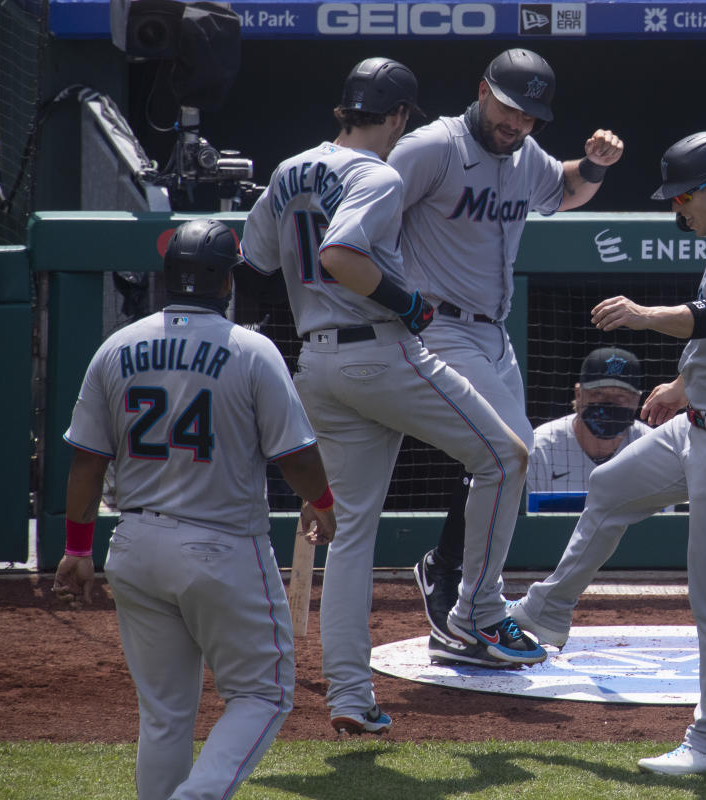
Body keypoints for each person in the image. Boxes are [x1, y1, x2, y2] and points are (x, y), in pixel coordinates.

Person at [240, 57, 543, 730]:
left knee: (348, 536)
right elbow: (340, 256)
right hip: (381, 354)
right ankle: (478, 612)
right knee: (505, 457)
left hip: (316, 361)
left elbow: (252, 263)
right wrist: (410, 304)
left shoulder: (289, 168)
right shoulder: (376, 173)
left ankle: (351, 698)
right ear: (400, 115)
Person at [508, 132, 706, 775]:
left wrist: (641, 315)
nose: (677, 210)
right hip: (702, 424)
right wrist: (681, 385)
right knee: (610, 487)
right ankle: (547, 611)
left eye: (684, 196)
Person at [50, 218, 337, 800]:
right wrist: (323, 501)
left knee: (164, 714)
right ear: (226, 283)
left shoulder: (117, 346)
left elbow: (86, 461)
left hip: (133, 547)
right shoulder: (252, 351)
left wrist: (77, 548)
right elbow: (297, 454)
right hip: (221, 546)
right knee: (263, 694)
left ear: (168, 277)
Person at [386, 48, 624, 665]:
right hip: (436, 325)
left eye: (530, 117)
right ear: (483, 89)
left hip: (492, 332)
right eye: (510, 108)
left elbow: (562, 191)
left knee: (499, 462)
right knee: (507, 455)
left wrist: (593, 167)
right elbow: (364, 217)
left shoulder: (524, 157)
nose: (517, 124)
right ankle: (476, 612)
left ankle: (446, 569)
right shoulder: (430, 148)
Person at [527, 346, 651, 495]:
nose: (609, 403)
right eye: (598, 394)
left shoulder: (651, 447)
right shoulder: (539, 448)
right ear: (579, 394)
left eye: (620, 396)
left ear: (636, 400)